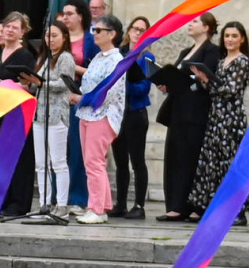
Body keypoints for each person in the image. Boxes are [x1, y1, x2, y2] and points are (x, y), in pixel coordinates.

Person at [187, 21, 249, 226]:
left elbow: (229, 91)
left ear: (242, 39)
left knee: (232, 164)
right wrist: (204, 79)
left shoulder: (242, 61)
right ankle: (218, 208)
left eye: (234, 36)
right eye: (227, 36)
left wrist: (209, 82)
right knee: (214, 163)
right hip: (216, 118)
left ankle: (238, 211)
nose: (229, 40)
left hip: (231, 120)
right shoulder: (222, 61)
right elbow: (214, 91)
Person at [156, 13, 221, 221]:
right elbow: (178, 76)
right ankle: (175, 205)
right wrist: (165, 82)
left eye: (195, 22)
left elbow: (207, 79)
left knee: (191, 158)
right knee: (175, 157)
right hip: (177, 110)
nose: (190, 24)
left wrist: (196, 79)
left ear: (207, 27)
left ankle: (194, 206)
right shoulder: (185, 51)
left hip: (196, 112)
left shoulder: (212, 51)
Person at [72, 15, 126, 224]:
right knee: (92, 162)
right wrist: (79, 94)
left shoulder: (116, 60)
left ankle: (96, 209)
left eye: (98, 30)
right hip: (87, 113)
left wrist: (82, 98)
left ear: (112, 34)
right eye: (93, 29)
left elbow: (108, 92)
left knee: (94, 162)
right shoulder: (98, 57)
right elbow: (89, 84)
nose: (94, 33)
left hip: (103, 115)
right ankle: (102, 206)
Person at [109, 16, 156, 220]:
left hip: (136, 112)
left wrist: (121, 85)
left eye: (142, 30)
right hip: (118, 112)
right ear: (128, 31)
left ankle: (139, 205)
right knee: (120, 161)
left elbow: (144, 87)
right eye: (135, 28)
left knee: (137, 160)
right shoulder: (118, 54)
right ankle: (120, 203)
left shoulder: (147, 58)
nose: (137, 33)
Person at [30, 21, 76, 218]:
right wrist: (29, 82)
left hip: (57, 114)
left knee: (58, 161)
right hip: (39, 114)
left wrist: (40, 82)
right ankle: (44, 203)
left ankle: (62, 205)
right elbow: (36, 85)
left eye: (55, 35)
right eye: (48, 36)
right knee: (41, 163)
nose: (51, 39)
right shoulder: (45, 58)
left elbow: (64, 84)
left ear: (64, 37)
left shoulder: (66, 58)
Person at [0, 12, 36, 217]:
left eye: (14, 27)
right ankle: (3, 200)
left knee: (19, 160)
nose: (9, 30)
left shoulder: (25, 55)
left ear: (23, 32)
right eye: (7, 25)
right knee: (2, 159)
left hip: (17, 114)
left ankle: (18, 203)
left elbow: (25, 85)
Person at [59, 0, 97, 215]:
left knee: (77, 150)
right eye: (64, 13)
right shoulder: (58, 38)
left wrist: (74, 68)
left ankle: (77, 198)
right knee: (58, 151)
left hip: (79, 99)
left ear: (81, 16)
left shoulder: (91, 40)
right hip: (57, 99)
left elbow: (95, 72)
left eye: (70, 13)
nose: (65, 17)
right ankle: (59, 197)